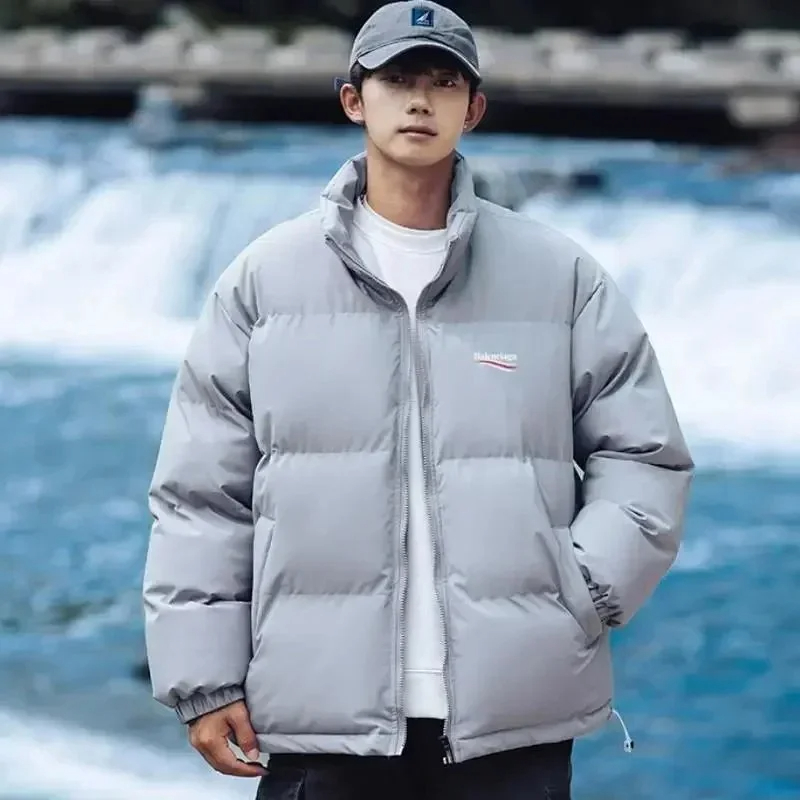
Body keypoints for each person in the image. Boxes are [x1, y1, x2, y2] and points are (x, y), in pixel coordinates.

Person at [142, 2, 694, 798]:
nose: (420, 101)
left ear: (474, 109)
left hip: (513, 716)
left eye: (443, 82)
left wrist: (579, 593)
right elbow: (201, 496)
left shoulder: (559, 276)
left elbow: (643, 454)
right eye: (398, 81)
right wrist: (205, 679)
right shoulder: (264, 281)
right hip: (322, 716)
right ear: (353, 100)